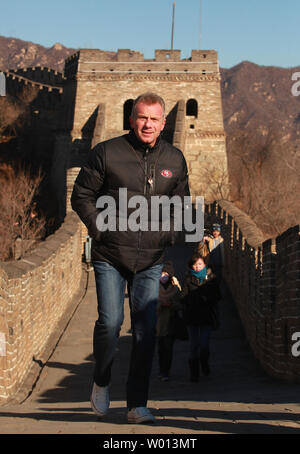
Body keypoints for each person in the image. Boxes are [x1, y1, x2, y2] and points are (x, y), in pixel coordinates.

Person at [71, 92, 190, 424]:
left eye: (154, 119)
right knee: (110, 323)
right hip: (111, 253)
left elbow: (182, 204)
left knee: (145, 331)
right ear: (131, 119)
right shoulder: (107, 153)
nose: (147, 124)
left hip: (151, 257)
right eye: (141, 117)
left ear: (164, 123)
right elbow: (81, 194)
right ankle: (102, 380)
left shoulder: (175, 159)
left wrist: (168, 235)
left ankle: (137, 404)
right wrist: (100, 229)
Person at [180, 253, 221, 381]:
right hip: (192, 316)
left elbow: (218, 296)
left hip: (206, 316)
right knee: (193, 346)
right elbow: (182, 297)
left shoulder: (211, 279)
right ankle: (194, 374)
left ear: (204, 265)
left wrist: (207, 299)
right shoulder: (188, 279)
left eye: (199, 264)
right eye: (195, 265)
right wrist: (191, 300)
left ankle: (204, 362)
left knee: (204, 345)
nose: (197, 267)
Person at [156, 261, 185, 382]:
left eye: (166, 273)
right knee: (160, 349)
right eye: (162, 273)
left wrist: (171, 304)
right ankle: (162, 370)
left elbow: (181, 304)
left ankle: (165, 371)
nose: (163, 276)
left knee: (168, 348)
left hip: (171, 324)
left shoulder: (175, 289)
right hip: (157, 325)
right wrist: (160, 304)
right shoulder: (154, 288)